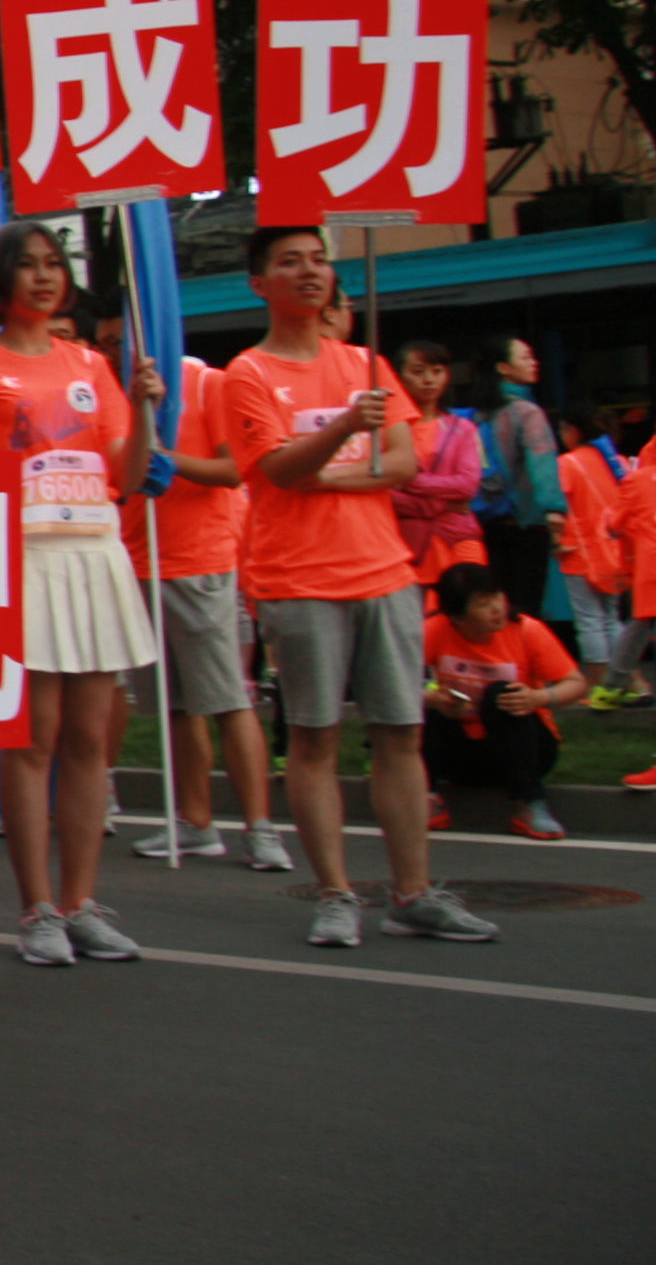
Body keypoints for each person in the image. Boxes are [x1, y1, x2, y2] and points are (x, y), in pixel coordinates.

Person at [217, 229, 493, 946]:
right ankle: (336, 894)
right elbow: (277, 470)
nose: (309, 272)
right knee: (314, 739)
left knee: (401, 733)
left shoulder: (365, 363)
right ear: (260, 283)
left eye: (318, 259)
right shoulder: (247, 372)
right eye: (290, 262)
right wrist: (346, 427)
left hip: (385, 573)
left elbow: (403, 463)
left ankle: (413, 893)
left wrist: (327, 472)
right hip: (298, 580)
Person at [0, 224, 160, 970]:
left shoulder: (92, 365)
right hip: (23, 559)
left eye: (54, 264)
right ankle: (36, 907)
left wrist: (147, 409)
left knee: (90, 741)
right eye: (27, 265)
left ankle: (81, 901)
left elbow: (128, 475)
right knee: (32, 742)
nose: (43, 276)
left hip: (94, 553)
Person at [124, 353, 291, 871]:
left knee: (226, 701)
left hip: (201, 562)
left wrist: (168, 459)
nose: (114, 348)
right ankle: (194, 821)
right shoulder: (110, 386)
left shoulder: (205, 382)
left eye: (119, 338)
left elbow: (235, 468)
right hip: (139, 561)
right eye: (107, 341)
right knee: (175, 706)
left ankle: (260, 828)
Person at [420, 564, 585, 840]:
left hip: (525, 748)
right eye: (483, 604)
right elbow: (396, 682)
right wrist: (433, 698)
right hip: (462, 751)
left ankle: (530, 803)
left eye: (497, 596)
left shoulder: (527, 630)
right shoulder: (434, 630)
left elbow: (576, 683)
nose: (497, 608)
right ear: (457, 617)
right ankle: (426, 797)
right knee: (426, 708)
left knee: (502, 694)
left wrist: (538, 698)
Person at [469, 337, 563, 622]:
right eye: (525, 357)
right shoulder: (527, 412)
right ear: (504, 368)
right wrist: (554, 509)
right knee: (526, 608)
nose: (534, 363)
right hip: (526, 523)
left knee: (497, 603)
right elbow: (542, 461)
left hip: (486, 519)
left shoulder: (476, 414)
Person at [553, 405, 633, 710]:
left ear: (573, 431)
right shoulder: (618, 463)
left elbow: (558, 507)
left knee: (590, 621)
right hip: (615, 552)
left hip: (579, 552)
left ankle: (600, 684)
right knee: (612, 619)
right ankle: (622, 682)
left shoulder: (567, 463)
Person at [388, 341, 487, 587]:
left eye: (437, 371)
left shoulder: (463, 429)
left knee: (472, 602)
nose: (429, 380)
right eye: (418, 372)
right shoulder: (386, 431)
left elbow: (468, 485)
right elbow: (381, 489)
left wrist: (410, 481)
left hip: (459, 537)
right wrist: (442, 503)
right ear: (398, 378)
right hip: (405, 540)